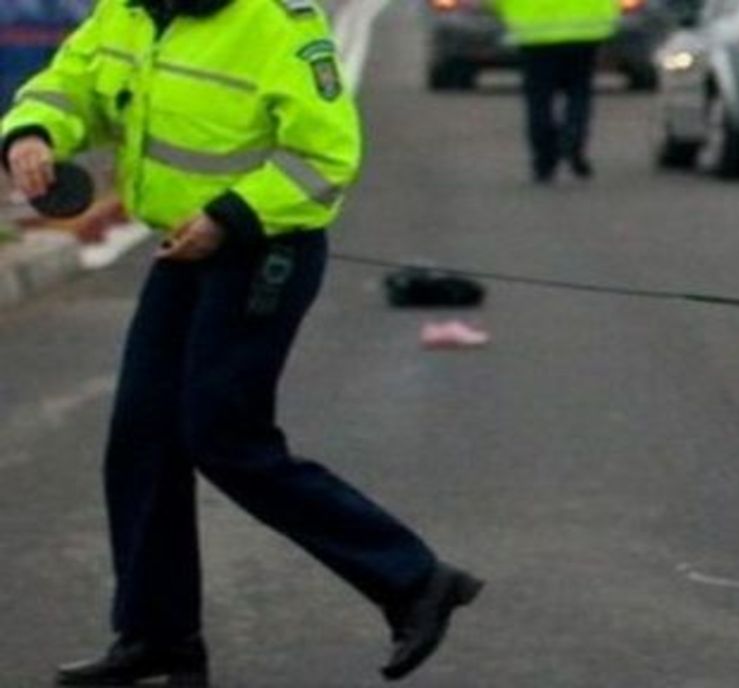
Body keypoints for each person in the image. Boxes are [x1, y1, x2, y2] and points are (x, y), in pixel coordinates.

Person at [1, 0, 483, 685]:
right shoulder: (129, 14)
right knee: (142, 437)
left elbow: (326, 153)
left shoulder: (275, 23)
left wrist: (232, 216)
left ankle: (414, 580)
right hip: (182, 250)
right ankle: (159, 638)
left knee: (223, 435)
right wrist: (32, 133)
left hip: (263, 250)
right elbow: (70, 85)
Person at [491, 0, 621, 183]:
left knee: (539, 100)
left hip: (534, 34)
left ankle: (544, 160)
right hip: (585, 30)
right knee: (579, 92)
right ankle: (572, 136)